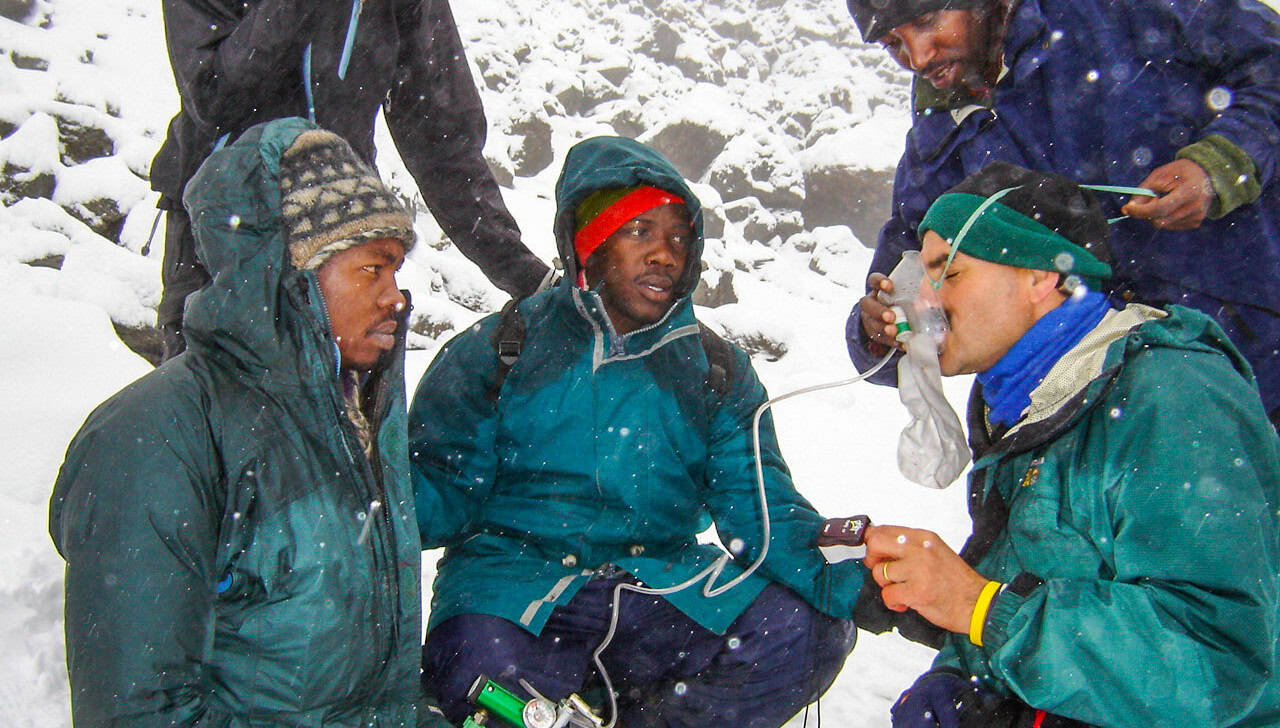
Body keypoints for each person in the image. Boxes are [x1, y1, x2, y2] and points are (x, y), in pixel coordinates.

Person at [408, 136, 865, 728]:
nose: (664, 255)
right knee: (497, 700)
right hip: (512, 591)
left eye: (679, 238)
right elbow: (434, 490)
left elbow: (762, 510)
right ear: (588, 243)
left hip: (660, 587)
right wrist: (351, 510)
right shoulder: (500, 350)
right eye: (639, 231)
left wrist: (857, 578)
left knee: (806, 634)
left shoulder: (715, 370)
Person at [50, 118, 444, 727]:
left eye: (397, 270)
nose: (396, 296)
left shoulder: (356, 416)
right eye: (373, 268)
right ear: (291, 276)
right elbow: (138, 712)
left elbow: (375, 696)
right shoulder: (158, 434)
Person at [858, 162, 1280, 727]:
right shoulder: (1026, 397)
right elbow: (1042, 570)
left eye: (949, 274)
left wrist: (980, 609)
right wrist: (960, 663)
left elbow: (1216, 661)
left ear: (1041, 277)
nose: (920, 300)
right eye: (920, 276)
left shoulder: (1171, 394)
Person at [842, 0, 1280, 427]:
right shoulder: (939, 133)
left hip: (1256, 358)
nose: (917, 57)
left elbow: (1267, 63)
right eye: (892, 43)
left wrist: (1223, 162)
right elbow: (910, 256)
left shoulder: (1120, 12)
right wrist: (880, 331)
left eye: (926, 21)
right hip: (1097, 414)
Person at [152, 0, 550, 359]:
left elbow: (441, 142)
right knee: (207, 417)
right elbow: (214, 95)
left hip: (346, 241)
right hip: (218, 237)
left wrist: (526, 275)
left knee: (348, 423)